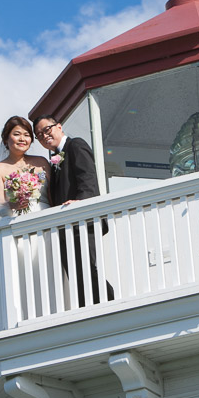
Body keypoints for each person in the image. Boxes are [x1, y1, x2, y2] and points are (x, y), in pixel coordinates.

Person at [33, 115, 113, 307]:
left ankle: (108, 306)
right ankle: (88, 310)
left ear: (59, 126)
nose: (44, 136)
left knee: (88, 269)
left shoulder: (75, 145)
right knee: (76, 274)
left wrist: (80, 203)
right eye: (39, 135)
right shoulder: (54, 160)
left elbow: (88, 179)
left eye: (47, 129)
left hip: (83, 221)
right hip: (66, 227)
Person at [0, 116, 51, 247]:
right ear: (6, 139)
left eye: (26, 135)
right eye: (17, 134)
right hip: (19, 225)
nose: (22, 139)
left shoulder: (41, 163)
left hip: (47, 221)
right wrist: (13, 204)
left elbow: (50, 191)